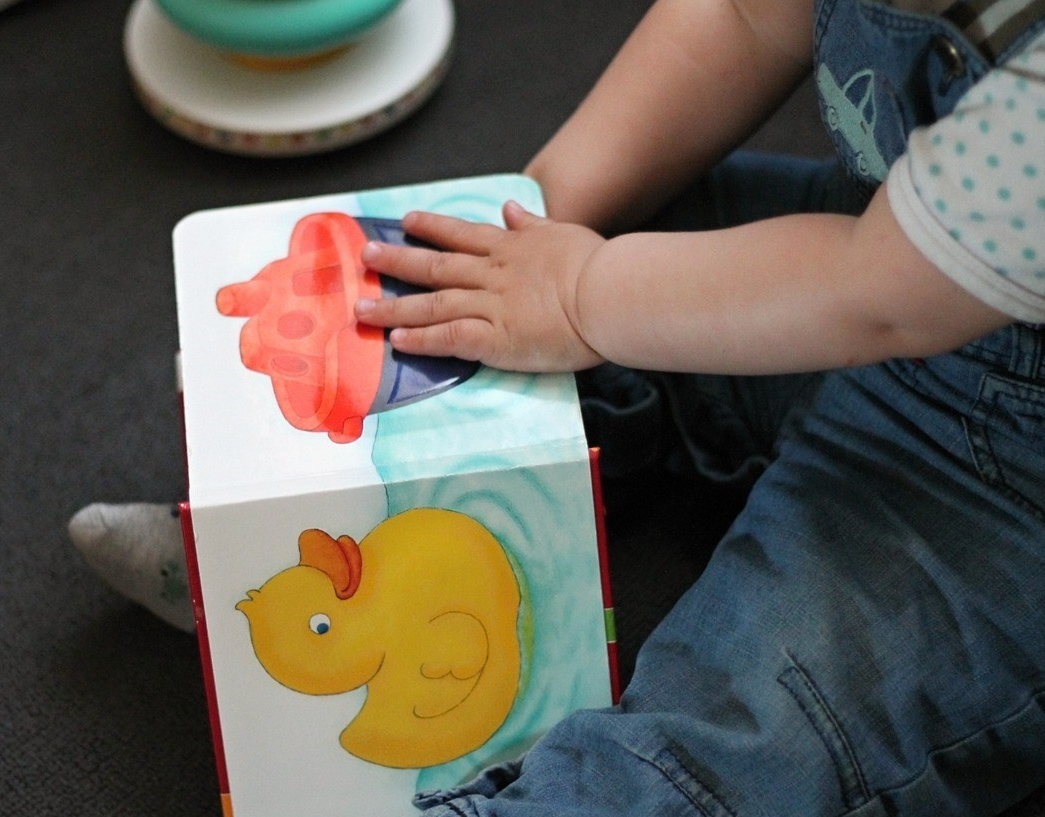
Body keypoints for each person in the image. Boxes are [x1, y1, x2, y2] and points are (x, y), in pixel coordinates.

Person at [71, 0, 1045, 811]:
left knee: (757, 722)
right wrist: (541, 218)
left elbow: (874, 295)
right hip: (877, 238)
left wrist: (578, 295)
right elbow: (745, 16)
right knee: (549, 270)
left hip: (1006, 473)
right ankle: (288, 537)